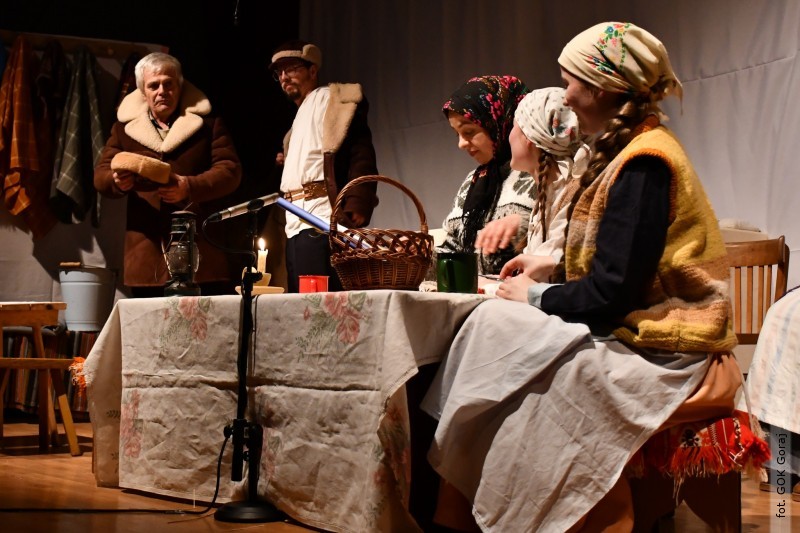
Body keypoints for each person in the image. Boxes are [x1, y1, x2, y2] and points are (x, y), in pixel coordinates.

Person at [422, 22, 743, 531]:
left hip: (667, 342)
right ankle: (459, 508)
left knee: (538, 380)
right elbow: (618, 263)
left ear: (604, 87)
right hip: (635, 324)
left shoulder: (646, 162)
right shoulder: (625, 153)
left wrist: (537, 295)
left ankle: (583, 520)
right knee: (488, 330)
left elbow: (613, 292)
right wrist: (549, 267)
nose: (566, 96)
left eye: (570, 82)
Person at [94, 52, 242, 297]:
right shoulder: (124, 130)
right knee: (149, 319)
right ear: (143, 92)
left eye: (168, 84)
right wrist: (117, 181)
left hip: (200, 248)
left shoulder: (208, 125)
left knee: (203, 318)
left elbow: (230, 171)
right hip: (146, 250)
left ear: (180, 86)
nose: (162, 91)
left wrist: (189, 186)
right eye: (154, 85)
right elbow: (101, 174)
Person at [270, 40, 378, 293]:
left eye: (291, 68)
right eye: (280, 72)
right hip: (293, 220)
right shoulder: (297, 119)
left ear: (312, 70)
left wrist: (358, 200)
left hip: (320, 215)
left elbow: (360, 150)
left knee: (318, 301)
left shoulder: (331, 99)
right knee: (300, 299)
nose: (284, 77)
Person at [437, 75, 533, 279]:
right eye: (457, 134)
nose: (461, 144)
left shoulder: (543, 171)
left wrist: (525, 222)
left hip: (526, 293)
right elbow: (454, 251)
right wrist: (416, 255)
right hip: (480, 292)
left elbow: (565, 232)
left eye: (469, 131)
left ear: (502, 123)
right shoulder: (474, 181)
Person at [501, 86, 590, 283]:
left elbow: (544, 275)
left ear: (530, 138)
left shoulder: (571, 194)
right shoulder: (549, 192)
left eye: (515, 127)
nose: (510, 136)